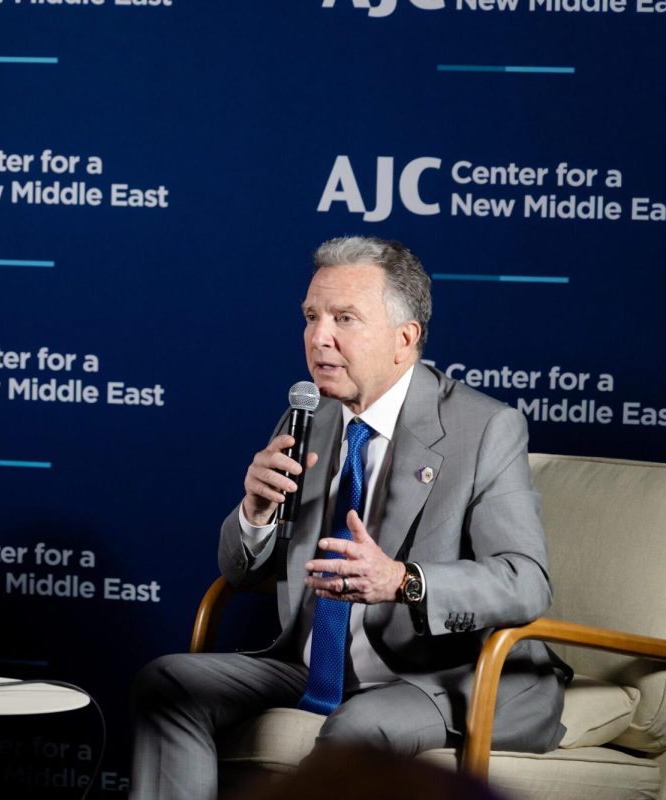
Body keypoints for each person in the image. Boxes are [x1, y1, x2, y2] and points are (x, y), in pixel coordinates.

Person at [130, 236, 568, 800]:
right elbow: (239, 574)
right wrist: (256, 514)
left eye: (344, 318)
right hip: (311, 659)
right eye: (311, 317)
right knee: (167, 683)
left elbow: (525, 581)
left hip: (438, 673)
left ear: (404, 340)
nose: (319, 338)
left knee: (357, 732)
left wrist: (403, 580)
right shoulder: (308, 416)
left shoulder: (484, 429)